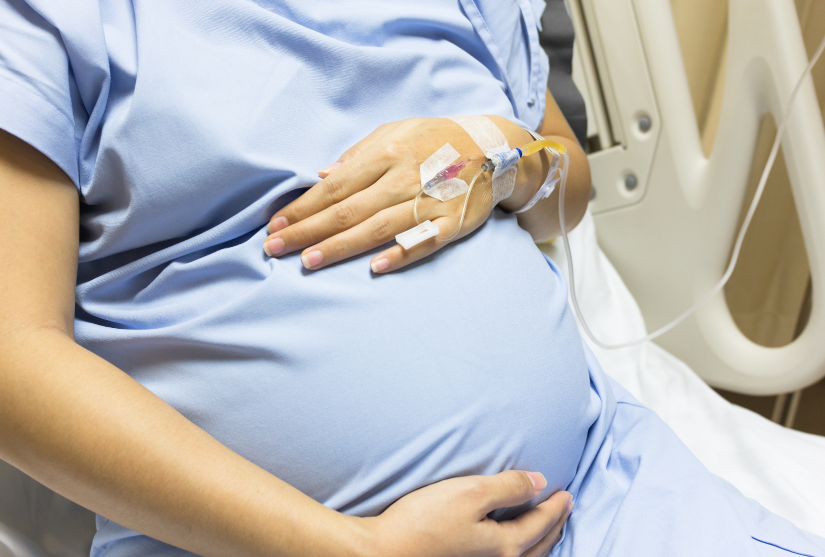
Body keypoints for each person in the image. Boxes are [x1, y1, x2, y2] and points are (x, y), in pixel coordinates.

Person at [1, 2, 824, 557]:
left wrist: (497, 153)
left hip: (598, 495)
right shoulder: (51, 21)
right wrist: (345, 549)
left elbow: (563, 185)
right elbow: (12, 356)